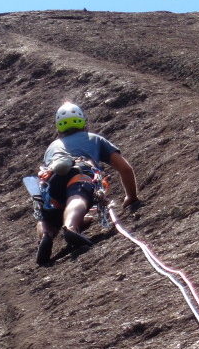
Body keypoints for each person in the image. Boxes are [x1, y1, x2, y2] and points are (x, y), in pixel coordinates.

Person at [34, 101, 139, 265]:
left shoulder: (52, 146)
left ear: (58, 128)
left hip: (51, 179)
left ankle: (46, 235)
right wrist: (131, 196)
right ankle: (70, 227)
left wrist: (86, 220)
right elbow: (125, 168)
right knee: (77, 199)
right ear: (83, 122)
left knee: (47, 217)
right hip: (80, 171)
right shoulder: (95, 139)